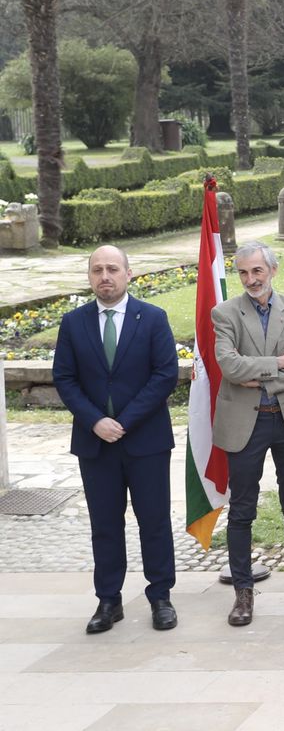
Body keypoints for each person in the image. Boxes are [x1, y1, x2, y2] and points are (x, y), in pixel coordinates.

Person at [54, 245, 179, 634]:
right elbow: (65, 378)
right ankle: (108, 600)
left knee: (154, 521)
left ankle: (160, 597)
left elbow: (165, 374)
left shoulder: (153, 318)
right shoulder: (73, 323)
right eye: (97, 270)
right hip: (95, 444)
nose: (104, 276)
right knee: (104, 524)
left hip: (145, 440)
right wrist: (95, 422)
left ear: (129, 273)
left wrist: (123, 421)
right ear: (90, 277)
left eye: (111, 269)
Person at [212, 240, 284, 626]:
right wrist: (278, 364)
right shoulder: (224, 313)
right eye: (244, 272)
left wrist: (259, 375)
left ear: (273, 270)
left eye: (257, 271)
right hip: (244, 423)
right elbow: (230, 367)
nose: (250, 279)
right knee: (242, 510)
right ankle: (243, 593)